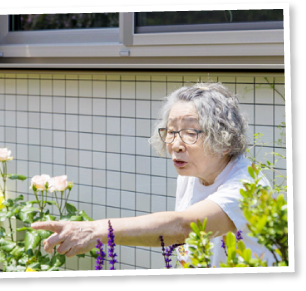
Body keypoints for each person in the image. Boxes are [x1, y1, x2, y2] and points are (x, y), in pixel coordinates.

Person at [31, 82, 275, 267]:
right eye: (171, 132)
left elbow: (185, 227)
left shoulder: (246, 188)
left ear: (223, 139)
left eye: (190, 133)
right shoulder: (191, 174)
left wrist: (94, 231)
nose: (176, 144)